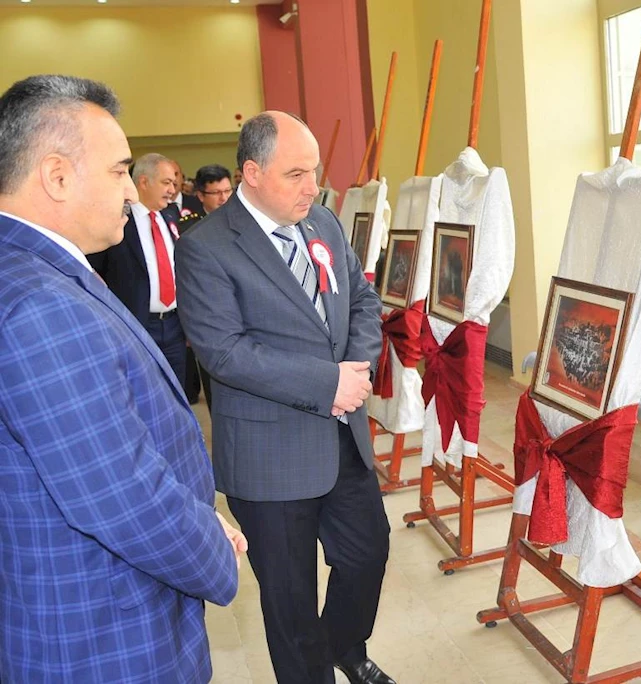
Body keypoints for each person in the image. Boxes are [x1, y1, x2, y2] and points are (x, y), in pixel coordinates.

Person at [0, 74, 246, 682]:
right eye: (118, 172)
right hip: (105, 633)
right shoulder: (39, 304)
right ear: (57, 176)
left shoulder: (36, 270)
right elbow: (120, 491)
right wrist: (212, 550)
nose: (131, 192)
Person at [175, 111, 392, 684]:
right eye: (295, 174)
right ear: (252, 173)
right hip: (270, 456)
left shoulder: (323, 222)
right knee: (291, 601)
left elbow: (362, 300)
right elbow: (224, 352)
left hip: (342, 438)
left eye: (314, 171)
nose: (311, 186)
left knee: (367, 555)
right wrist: (327, 383)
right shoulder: (206, 247)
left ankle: (343, 647)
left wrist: (355, 369)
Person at [89, 152, 189, 387]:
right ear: (143, 182)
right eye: (166, 182)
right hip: (135, 325)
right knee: (142, 390)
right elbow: (93, 270)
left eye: (174, 183)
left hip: (174, 326)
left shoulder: (171, 215)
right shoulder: (116, 220)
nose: (172, 189)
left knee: (176, 391)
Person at [178, 163, 235, 409]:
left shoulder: (242, 222)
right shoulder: (187, 229)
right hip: (209, 319)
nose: (224, 198)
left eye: (228, 191)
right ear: (200, 195)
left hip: (243, 315)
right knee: (216, 390)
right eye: (216, 193)